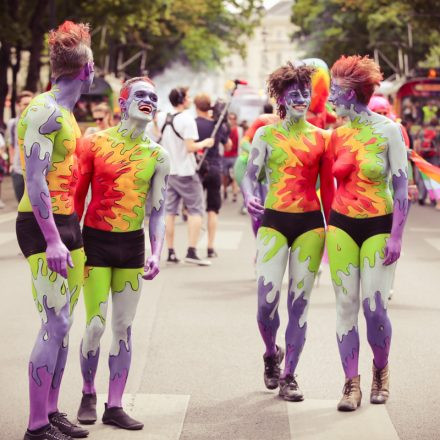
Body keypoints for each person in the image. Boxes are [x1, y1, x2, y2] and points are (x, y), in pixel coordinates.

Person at [74, 76, 169, 430]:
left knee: (124, 327)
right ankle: (88, 391)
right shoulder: (95, 143)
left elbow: (157, 210)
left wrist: (157, 251)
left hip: (132, 246)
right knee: (96, 326)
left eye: (153, 97)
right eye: (141, 95)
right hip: (95, 242)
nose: (148, 101)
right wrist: (67, 240)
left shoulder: (158, 154)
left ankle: (115, 405)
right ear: (124, 102)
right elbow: (76, 197)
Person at [16, 21, 94, 440]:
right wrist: (51, 239)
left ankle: (51, 412)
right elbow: (34, 179)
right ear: (88, 70)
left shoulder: (65, 113)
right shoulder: (44, 111)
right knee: (55, 322)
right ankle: (35, 426)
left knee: (64, 323)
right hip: (43, 226)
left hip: (68, 223)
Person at [242, 62, 334, 401]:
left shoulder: (323, 138)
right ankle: (271, 353)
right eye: (293, 94)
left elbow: (333, 185)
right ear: (281, 98)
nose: (301, 99)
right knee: (266, 304)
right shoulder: (266, 133)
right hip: (274, 222)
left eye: (305, 93)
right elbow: (250, 174)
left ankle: (291, 376)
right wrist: (250, 193)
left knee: (300, 304)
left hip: (310, 224)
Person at [327, 55, 409, 412]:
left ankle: (380, 370)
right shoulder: (337, 135)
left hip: (378, 224)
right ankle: (351, 384)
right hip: (342, 225)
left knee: (374, 308)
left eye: (336, 90)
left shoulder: (389, 130)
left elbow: (402, 189)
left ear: (353, 93)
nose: (330, 96)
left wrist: (397, 236)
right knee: (345, 306)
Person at [150, 87, 214, 265]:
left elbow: (157, 135)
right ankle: (191, 251)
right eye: (188, 96)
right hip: (186, 172)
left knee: (169, 211)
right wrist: (206, 142)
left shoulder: (162, 117)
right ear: (183, 100)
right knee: (195, 209)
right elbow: (190, 147)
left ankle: (170, 252)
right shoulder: (187, 119)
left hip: (168, 171)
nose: (190, 99)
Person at [194, 93, 230, 258]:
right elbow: (228, 145)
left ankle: (192, 246)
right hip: (215, 168)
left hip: (198, 168)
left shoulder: (192, 124)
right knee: (212, 210)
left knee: (196, 210)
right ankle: (210, 246)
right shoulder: (216, 125)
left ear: (196, 106)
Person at [6, 90, 34, 203]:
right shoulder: (12, 123)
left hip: (34, 171)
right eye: (25, 104)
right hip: (17, 170)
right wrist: (12, 163)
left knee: (34, 205)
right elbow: (11, 143)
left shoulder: (38, 122)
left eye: (31, 104)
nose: (29, 107)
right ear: (18, 105)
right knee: (21, 203)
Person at [222, 112, 240, 201]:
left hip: (235, 156)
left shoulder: (239, 130)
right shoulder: (224, 129)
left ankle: (234, 193)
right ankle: (224, 190)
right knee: (224, 175)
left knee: (234, 176)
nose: (232, 120)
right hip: (224, 156)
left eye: (234, 119)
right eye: (230, 118)